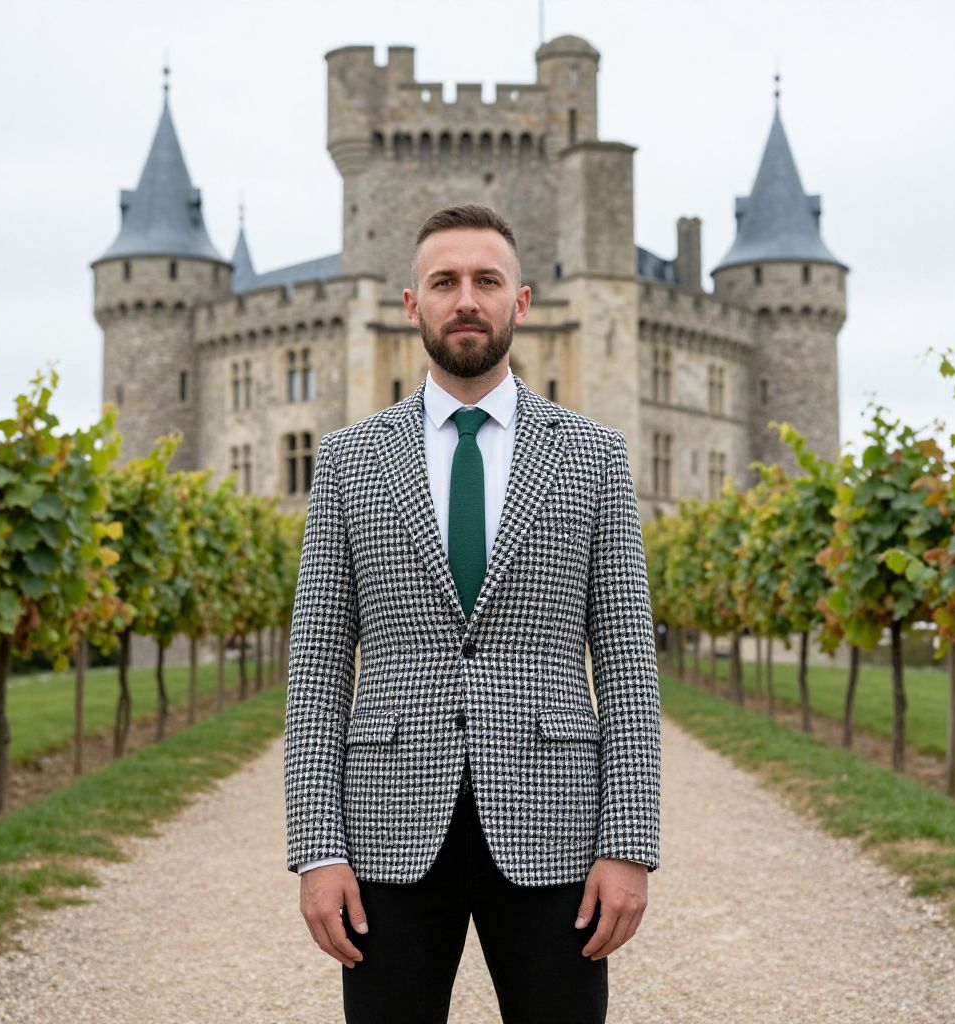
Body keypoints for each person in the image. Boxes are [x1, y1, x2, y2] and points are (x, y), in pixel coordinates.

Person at [284, 204, 661, 1024]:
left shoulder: (594, 455)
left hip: (554, 819)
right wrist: (316, 849)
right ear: (410, 303)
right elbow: (315, 667)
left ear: (520, 302)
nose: (466, 299)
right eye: (444, 282)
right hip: (387, 824)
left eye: (486, 281)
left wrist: (629, 845)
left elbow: (629, 663)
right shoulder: (349, 459)